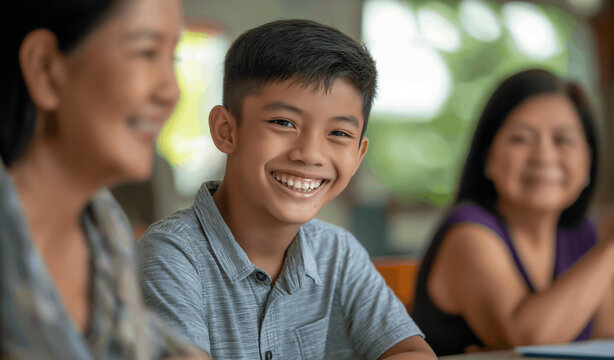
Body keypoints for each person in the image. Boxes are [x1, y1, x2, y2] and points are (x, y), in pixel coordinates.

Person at [137, 19, 437, 359]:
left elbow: (412, 352)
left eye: (338, 133)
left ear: (358, 155)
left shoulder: (337, 253)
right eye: (284, 123)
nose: (310, 153)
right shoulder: (172, 255)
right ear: (226, 130)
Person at [0, 0, 208, 358]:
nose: (170, 92)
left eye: (171, 59)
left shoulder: (103, 226)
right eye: (145, 53)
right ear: (45, 69)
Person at [410, 69, 614, 356]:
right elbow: (526, 340)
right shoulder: (468, 234)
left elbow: (609, 342)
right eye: (521, 138)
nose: (543, 156)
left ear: (587, 163)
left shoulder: (584, 234)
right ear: (488, 157)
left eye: (563, 140)